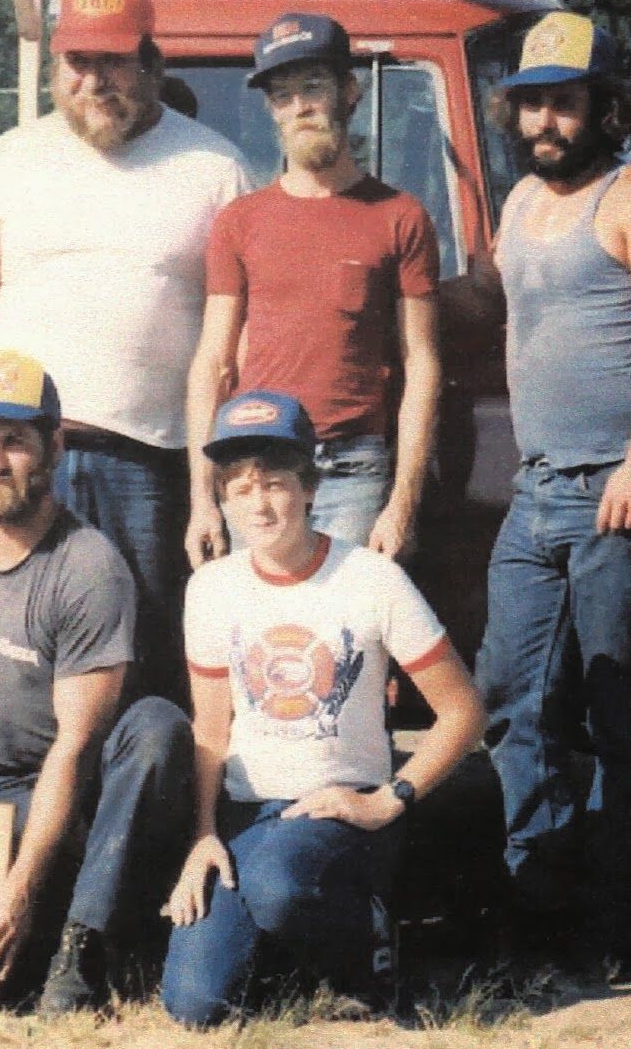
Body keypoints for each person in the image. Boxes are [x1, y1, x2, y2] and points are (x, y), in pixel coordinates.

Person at [0, 0, 253, 702]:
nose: (92, 80)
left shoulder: (214, 167)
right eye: (76, 61)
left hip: (151, 461)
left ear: (151, 63)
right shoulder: (12, 158)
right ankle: (26, 805)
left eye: (111, 61)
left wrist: (212, 481)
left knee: (139, 656)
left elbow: (233, 341)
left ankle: (137, 812)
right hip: (21, 451)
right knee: (19, 652)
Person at [471, 10, 631, 977]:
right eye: (532, 104)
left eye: (565, 103)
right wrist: (377, 292)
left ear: (605, 109)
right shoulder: (523, 200)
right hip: (535, 492)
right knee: (506, 698)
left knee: (615, 711)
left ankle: (613, 922)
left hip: (617, 491)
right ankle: (540, 891)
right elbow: (489, 298)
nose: (545, 123)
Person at [0, 350, 194, 1013]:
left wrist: (19, 883)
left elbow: (74, 747)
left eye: (16, 441)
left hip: (71, 798)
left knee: (156, 724)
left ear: (53, 445)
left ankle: (84, 939)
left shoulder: (88, 565)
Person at [160, 390, 484, 1028]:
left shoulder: (371, 578)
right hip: (250, 815)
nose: (260, 504)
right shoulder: (211, 588)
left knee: (281, 883)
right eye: (242, 488)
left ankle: (369, 947)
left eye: (277, 483)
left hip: (343, 814)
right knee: (195, 1005)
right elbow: (211, 727)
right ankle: (292, 949)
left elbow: (464, 712)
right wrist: (202, 833)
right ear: (222, 497)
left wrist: (389, 798)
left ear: (310, 487)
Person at [185, 13, 442, 565]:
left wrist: (402, 504)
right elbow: (213, 361)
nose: (299, 107)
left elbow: (421, 364)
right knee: (261, 636)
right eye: (282, 95)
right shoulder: (240, 220)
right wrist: (201, 500)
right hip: (258, 463)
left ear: (350, 92)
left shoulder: (401, 216)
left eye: (313, 88)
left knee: (347, 635)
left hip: (355, 469)